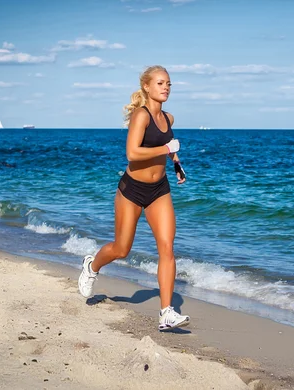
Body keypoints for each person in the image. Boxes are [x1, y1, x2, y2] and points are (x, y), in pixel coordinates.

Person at [78, 65, 190, 331]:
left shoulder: (168, 118)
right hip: (132, 189)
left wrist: (175, 162)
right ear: (147, 87)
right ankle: (92, 265)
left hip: (159, 189)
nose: (166, 88)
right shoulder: (141, 116)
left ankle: (166, 313)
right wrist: (166, 147)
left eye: (169, 84)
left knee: (167, 247)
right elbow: (133, 153)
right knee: (121, 248)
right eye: (161, 83)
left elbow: (166, 147)